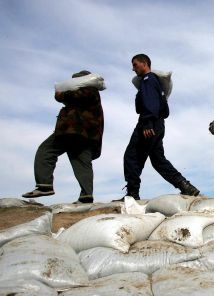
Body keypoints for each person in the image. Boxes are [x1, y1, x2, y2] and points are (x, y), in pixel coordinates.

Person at [116, 54, 199, 200]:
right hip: (158, 124)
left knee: (132, 156)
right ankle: (186, 186)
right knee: (158, 160)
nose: (133, 68)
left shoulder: (148, 81)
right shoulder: (154, 82)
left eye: (135, 65)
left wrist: (147, 123)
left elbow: (150, 104)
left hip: (149, 124)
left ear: (145, 64)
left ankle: (132, 194)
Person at [23, 70, 104, 203]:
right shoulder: (90, 93)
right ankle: (86, 195)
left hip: (72, 131)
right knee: (82, 163)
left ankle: (45, 186)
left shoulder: (89, 90)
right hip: (83, 135)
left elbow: (68, 96)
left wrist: (60, 94)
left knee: (46, 151)